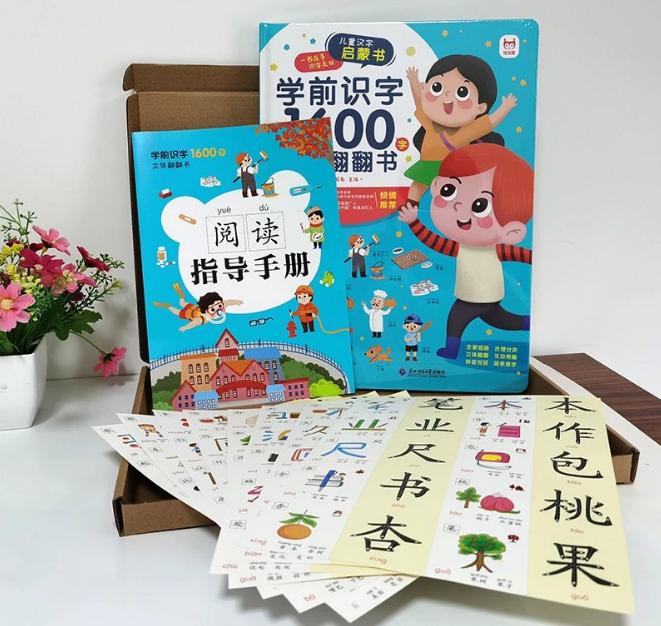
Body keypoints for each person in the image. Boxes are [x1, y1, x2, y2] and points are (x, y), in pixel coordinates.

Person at [398, 143, 533, 359]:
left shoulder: (495, 249)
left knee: (471, 320)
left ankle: (453, 350)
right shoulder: (462, 246)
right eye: (448, 191)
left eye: (480, 206)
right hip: (473, 297)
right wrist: (414, 222)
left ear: (512, 231)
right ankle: (525, 324)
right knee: (494, 320)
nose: (459, 207)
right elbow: (433, 241)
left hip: (483, 297)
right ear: (436, 185)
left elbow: (521, 255)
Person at [403, 55, 517, 212]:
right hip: (428, 164)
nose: (447, 96)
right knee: (418, 185)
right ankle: (411, 205)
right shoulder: (430, 123)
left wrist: (505, 108)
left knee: (456, 192)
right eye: (437, 87)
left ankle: (460, 210)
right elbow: (419, 102)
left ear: (480, 108)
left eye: (462, 92)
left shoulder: (468, 130)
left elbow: (491, 122)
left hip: (453, 169)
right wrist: (414, 82)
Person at [153, 282, 242, 332]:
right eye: (212, 309)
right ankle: (167, 304)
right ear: (206, 310)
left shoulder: (220, 306)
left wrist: (237, 302)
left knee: (181, 303)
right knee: (180, 305)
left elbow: (228, 302)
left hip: (193, 309)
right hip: (188, 312)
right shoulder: (204, 319)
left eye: (219, 305)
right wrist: (185, 327)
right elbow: (194, 323)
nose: (218, 310)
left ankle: (167, 304)